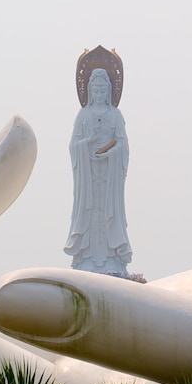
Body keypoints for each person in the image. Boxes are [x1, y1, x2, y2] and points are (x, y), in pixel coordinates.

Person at [64, 68, 132, 275]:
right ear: (90, 92)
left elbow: (124, 146)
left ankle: (112, 259)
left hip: (110, 175)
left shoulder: (115, 115)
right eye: (96, 91)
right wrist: (88, 142)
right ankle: (86, 258)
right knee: (88, 210)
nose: (99, 95)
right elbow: (73, 145)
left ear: (109, 91)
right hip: (89, 175)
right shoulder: (83, 115)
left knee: (109, 211)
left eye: (103, 91)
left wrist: (111, 154)